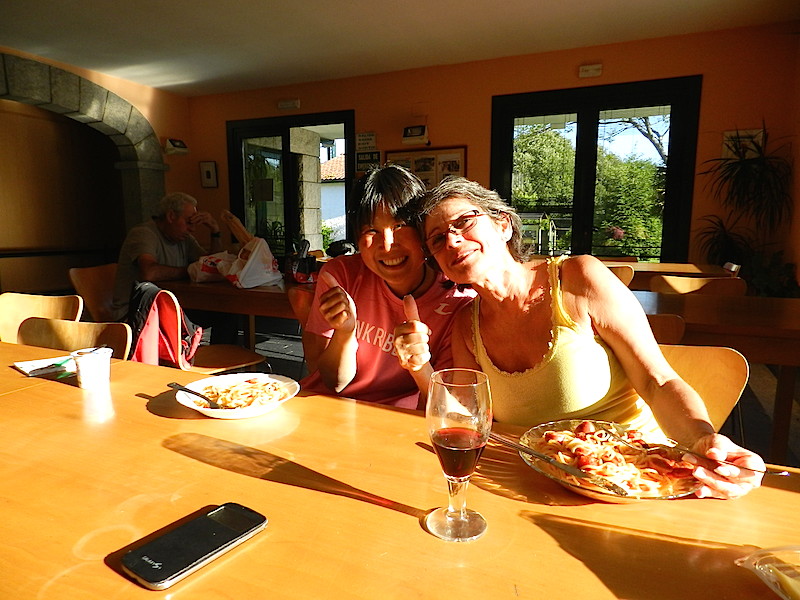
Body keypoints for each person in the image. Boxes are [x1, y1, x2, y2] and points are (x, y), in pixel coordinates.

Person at [399, 176, 764, 499]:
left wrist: (701, 440)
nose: (452, 240)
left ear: (503, 224)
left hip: (633, 477)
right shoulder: (466, 324)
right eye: (437, 239)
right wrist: (420, 366)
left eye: (464, 221)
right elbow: (472, 423)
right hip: (531, 484)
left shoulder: (578, 278)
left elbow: (658, 381)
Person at [300, 165, 475, 409]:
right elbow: (333, 383)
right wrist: (345, 333)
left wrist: (419, 364)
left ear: (422, 229)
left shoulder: (458, 300)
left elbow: (448, 407)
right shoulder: (341, 276)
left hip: (394, 420)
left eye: (400, 226)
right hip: (326, 408)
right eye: (371, 230)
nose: (388, 244)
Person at [111, 192, 238, 344]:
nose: (192, 229)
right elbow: (149, 273)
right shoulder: (143, 234)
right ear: (171, 216)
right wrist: (189, 271)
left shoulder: (183, 238)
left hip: (167, 308)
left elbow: (210, 264)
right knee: (222, 316)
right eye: (188, 222)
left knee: (227, 312)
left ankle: (220, 358)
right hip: (137, 313)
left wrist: (215, 231)